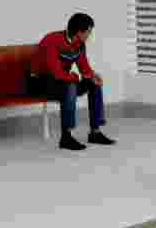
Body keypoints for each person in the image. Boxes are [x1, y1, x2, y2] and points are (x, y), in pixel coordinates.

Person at [28, 13, 116, 150]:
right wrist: (74, 78)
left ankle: (95, 132)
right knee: (70, 86)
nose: (89, 35)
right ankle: (66, 137)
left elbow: (83, 67)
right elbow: (56, 73)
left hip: (61, 82)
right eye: (88, 32)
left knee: (93, 84)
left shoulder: (80, 44)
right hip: (40, 83)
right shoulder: (51, 40)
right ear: (79, 32)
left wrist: (92, 76)